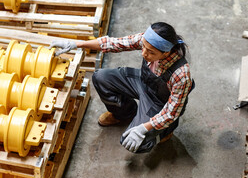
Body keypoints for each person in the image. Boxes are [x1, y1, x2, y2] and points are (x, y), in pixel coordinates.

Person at [49, 22, 194, 153]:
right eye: (143, 47)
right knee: (101, 78)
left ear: (166, 53)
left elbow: (171, 112)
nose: (144, 53)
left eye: (151, 52)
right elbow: (115, 43)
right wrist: (77, 44)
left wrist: (144, 128)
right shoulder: (148, 41)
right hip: (142, 82)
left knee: (135, 142)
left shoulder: (181, 75)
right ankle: (124, 114)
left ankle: (164, 132)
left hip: (159, 102)